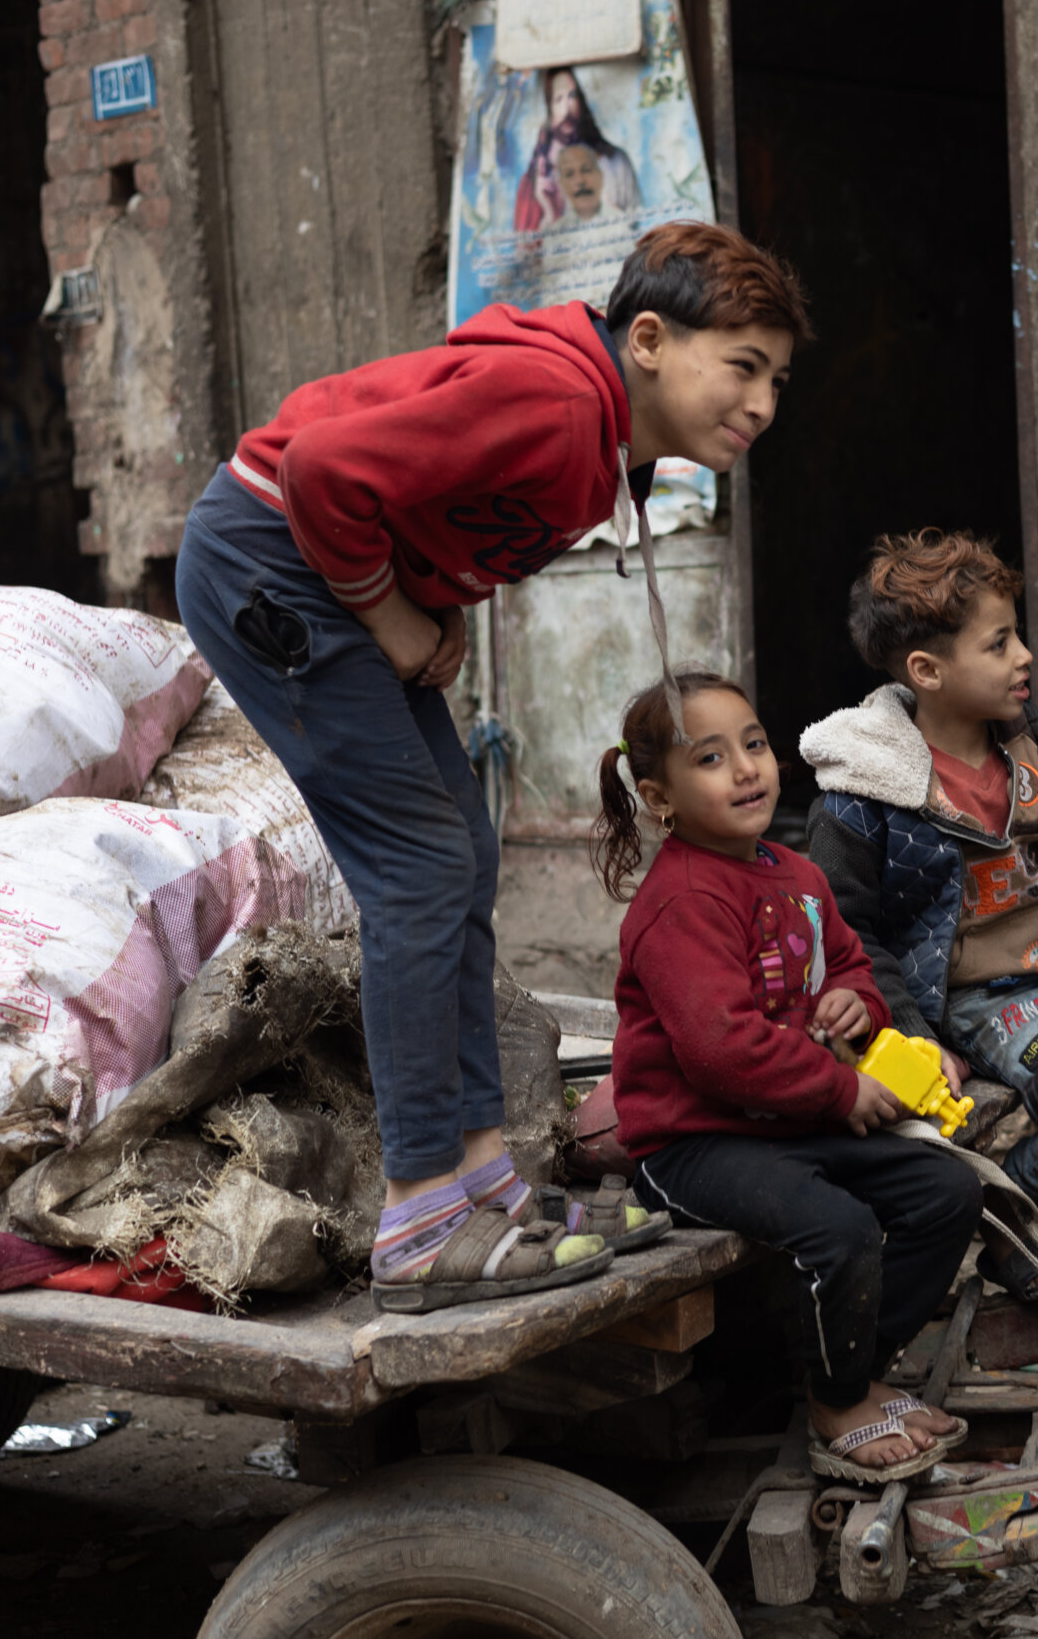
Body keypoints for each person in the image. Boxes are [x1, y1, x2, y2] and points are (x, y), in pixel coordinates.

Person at [172, 221, 809, 1315]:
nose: (761, 402)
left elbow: (441, 497)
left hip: (321, 565)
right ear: (648, 339)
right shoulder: (562, 406)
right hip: (270, 559)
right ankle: (419, 1218)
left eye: (777, 379)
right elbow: (324, 471)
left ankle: (482, 1186)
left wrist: (436, 606)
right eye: (742, 367)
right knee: (418, 868)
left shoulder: (601, 434)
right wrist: (382, 608)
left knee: (458, 851)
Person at [595, 671, 985, 1477]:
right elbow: (721, 1049)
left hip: (789, 1124)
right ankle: (837, 1402)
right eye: (711, 758)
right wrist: (841, 1089)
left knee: (947, 1194)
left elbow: (849, 962)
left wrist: (854, 1000)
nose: (747, 769)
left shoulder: (798, 875)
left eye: (754, 744)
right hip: (695, 1142)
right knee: (838, 1230)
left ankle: (845, 1370)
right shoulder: (680, 902)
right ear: (659, 798)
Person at [800, 529, 1038, 1300]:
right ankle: (1004, 1219)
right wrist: (918, 1040)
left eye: (1016, 633)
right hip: (997, 997)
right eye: (999, 643)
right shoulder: (866, 794)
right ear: (927, 671)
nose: (1024, 655)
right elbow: (848, 934)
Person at [515, 67, 640, 233]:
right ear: (549, 107)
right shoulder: (535, 180)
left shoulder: (616, 161)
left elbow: (635, 225)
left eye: (572, 96)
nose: (567, 108)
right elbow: (526, 251)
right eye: (558, 99)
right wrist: (549, 214)